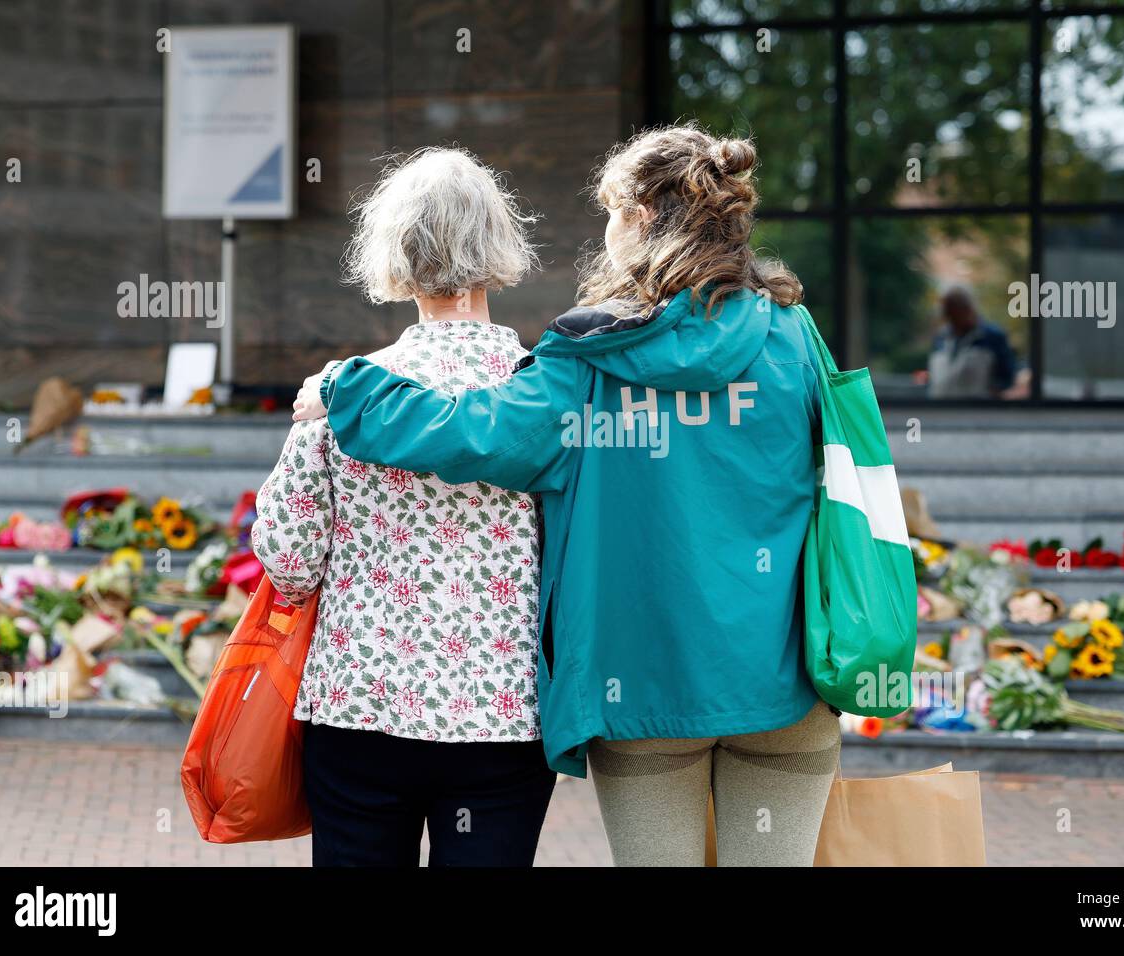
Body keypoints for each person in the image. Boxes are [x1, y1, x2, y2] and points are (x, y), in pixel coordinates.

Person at [293, 124, 842, 867]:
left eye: (611, 212)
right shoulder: (797, 338)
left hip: (647, 693)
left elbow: (468, 433)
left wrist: (345, 384)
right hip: (786, 682)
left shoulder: (593, 358)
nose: (606, 229)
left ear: (641, 219)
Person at [251, 148, 556, 867]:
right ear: (497, 247)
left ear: (395, 255)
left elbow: (290, 563)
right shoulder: (544, 392)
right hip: (502, 712)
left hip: (361, 705)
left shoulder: (339, 393)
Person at [921, 285, 1025, 399]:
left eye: (955, 311)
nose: (952, 318)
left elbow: (1007, 378)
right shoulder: (940, 338)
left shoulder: (992, 337)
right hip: (939, 410)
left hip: (977, 411)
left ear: (968, 309)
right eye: (949, 313)